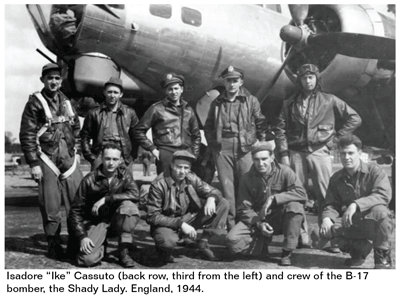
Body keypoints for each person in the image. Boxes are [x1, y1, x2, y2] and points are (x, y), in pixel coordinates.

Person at [275, 63, 362, 250]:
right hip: (296, 153)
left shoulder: (329, 100)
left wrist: (333, 141)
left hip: (319, 152)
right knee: (297, 195)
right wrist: (283, 154)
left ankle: (330, 238)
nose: (308, 81)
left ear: (317, 79)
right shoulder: (289, 103)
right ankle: (301, 236)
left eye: (311, 77)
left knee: (326, 195)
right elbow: (280, 130)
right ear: (299, 81)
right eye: (304, 78)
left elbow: (354, 118)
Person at [19, 63, 83, 259]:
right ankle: (54, 245)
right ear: (42, 80)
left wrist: (77, 151)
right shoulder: (34, 103)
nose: (53, 82)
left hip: (69, 158)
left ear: (61, 80)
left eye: (57, 78)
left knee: (77, 203)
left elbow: (76, 127)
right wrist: (33, 163)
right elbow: (27, 134)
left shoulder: (67, 102)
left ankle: (75, 242)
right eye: (49, 78)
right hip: (47, 158)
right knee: (50, 206)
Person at [204, 65, 268, 231]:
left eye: (235, 80)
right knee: (228, 189)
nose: (231, 84)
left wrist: (259, 143)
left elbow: (260, 121)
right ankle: (232, 226)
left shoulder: (251, 100)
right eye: (228, 81)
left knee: (246, 185)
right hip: (222, 147)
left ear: (241, 82)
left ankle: (249, 224)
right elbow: (209, 125)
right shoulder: (217, 102)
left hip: (245, 148)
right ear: (224, 82)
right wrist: (213, 145)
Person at [318, 134, 393, 269]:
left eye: (351, 153)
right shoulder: (336, 178)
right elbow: (331, 203)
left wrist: (356, 204)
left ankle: (382, 256)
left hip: (372, 223)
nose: (346, 157)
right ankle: (359, 251)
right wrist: (327, 218)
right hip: (352, 223)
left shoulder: (375, 171)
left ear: (359, 153)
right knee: (320, 233)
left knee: (381, 213)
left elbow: (383, 194)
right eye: (343, 154)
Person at [226, 142, 307, 266]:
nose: (260, 163)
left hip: (280, 217)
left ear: (272, 157)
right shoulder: (246, 178)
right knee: (232, 241)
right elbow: (244, 208)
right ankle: (261, 244)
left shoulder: (285, 171)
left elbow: (301, 193)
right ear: (252, 159)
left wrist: (274, 198)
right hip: (260, 218)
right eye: (256, 159)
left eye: (264, 159)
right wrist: (259, 223)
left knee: (295, 207)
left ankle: (287, 251)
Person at [146, 150, 229, 265]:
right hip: (166, 223)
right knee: (167, 243)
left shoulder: (191, 178)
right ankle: (163, 250)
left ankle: (203, 243)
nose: (182, 171)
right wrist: (180, 224)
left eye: (186, 168)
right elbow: (152, 216)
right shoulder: (158, 184)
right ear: (171, 165)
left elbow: (214, 191)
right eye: (179, 167)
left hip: (187, 218)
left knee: (223, 203)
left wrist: (211, 198)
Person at [68, 143, 141, 268]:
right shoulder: (89, 180)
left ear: (120, 161)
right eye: (107, 159)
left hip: (118, 220)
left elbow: (135, 194)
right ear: (101, 158)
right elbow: (75, 211)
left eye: (115, 159)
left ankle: (123, 251)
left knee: (129, 207)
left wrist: (107, 199)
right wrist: (82, 236)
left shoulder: (125, 175)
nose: (111, 163)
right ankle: (101, 245)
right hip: (98, 222)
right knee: (87, 260)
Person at [133, 73, 201, 174]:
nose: (174, 92)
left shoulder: (189, 110)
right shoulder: (156, 109)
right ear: (166, 91)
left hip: (185, 153)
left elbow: (196, 135)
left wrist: (194, 155)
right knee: (166, 185)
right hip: (166, 153)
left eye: (176, 88)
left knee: (184, 185)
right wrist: (153, 150)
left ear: (181, 89)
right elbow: (138, 130)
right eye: (170, 89)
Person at [80, 77, 139, 173]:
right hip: (100, 155)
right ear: (104, 92)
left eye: (116, 92)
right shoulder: (94, 113)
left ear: (121, 94)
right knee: (98, 185)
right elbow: (85, 136)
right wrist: (91, 157)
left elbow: (136, 136)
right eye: (110, 92)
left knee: (125, 186)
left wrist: (131, 156)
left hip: (123, 156)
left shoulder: (130, 113)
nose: (112, 95)